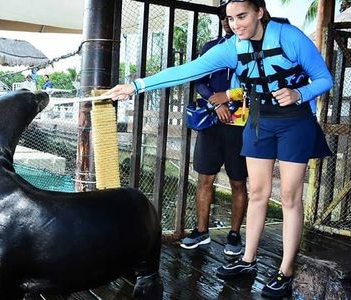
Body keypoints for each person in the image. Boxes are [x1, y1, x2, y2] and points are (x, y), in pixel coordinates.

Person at [106, 0, 333, 298]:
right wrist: (135, 87)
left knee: (290, 197)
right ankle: (247, 261)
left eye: (242, 16)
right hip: (259, 121)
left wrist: (298, 92)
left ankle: (285, 271)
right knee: (258, 193)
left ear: (260, 12)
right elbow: (189, 70)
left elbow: (325, 79)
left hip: (295, 121)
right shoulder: (231, 48)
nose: (236, 24)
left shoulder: (290, 37)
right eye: (231, 18)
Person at [180, 5, 248, 257]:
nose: (228, 22)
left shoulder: (254, 49)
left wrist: (231, 101)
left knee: (238, 181)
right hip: (211, 123)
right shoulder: (211, 48)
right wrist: (214, 101)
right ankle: (201, 231)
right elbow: (199, 80)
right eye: (225, 17)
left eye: (236, 16)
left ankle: (234, 235)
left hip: (240, 126)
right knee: (204, 178)